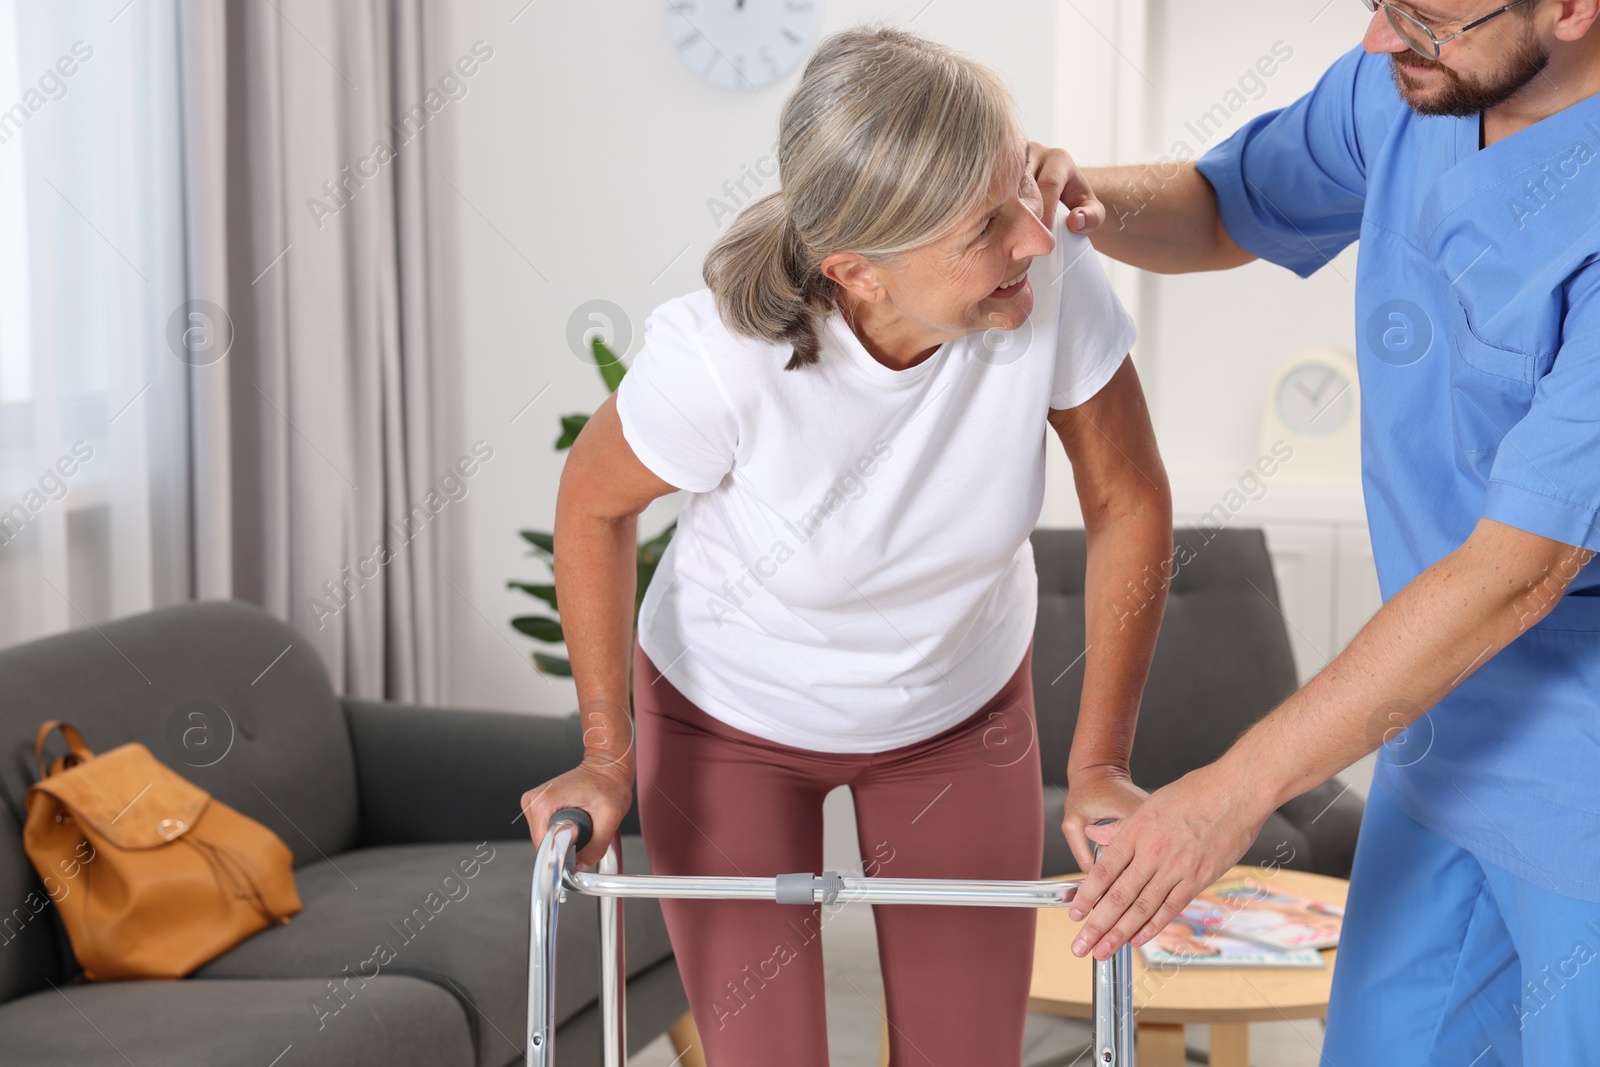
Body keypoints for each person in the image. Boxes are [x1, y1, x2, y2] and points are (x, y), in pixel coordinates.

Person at [521, 26, 1172, 1067]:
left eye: (1020, 193)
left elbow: (1129, 500)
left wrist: (1100, 764)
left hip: (956, 709)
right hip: (728, 713)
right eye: (984, 227)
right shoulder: (718, 361)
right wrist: (608, 757)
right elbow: (593, 507)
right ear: (856, 271)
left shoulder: (1045, 281)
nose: (1035, 241)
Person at [1031, 2, 1600, 1062]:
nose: (1383, 42)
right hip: (1438, 738)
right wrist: (1075, 200)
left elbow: (1514, 573)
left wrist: (1231, 791)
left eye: (1423, 21)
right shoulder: (1411, 84)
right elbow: (1219, 208)